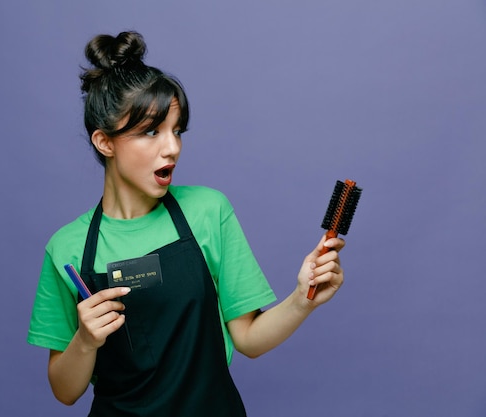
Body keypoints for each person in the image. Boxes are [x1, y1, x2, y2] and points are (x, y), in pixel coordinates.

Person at [27, 31, 345, 417]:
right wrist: (85, 341)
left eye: (176, 131)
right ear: (104, 142)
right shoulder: (67, 249)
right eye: (150, 131)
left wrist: (302, 299)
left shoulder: (208, 211)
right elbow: (64, 391)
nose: (172, 147)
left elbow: (247, 339)